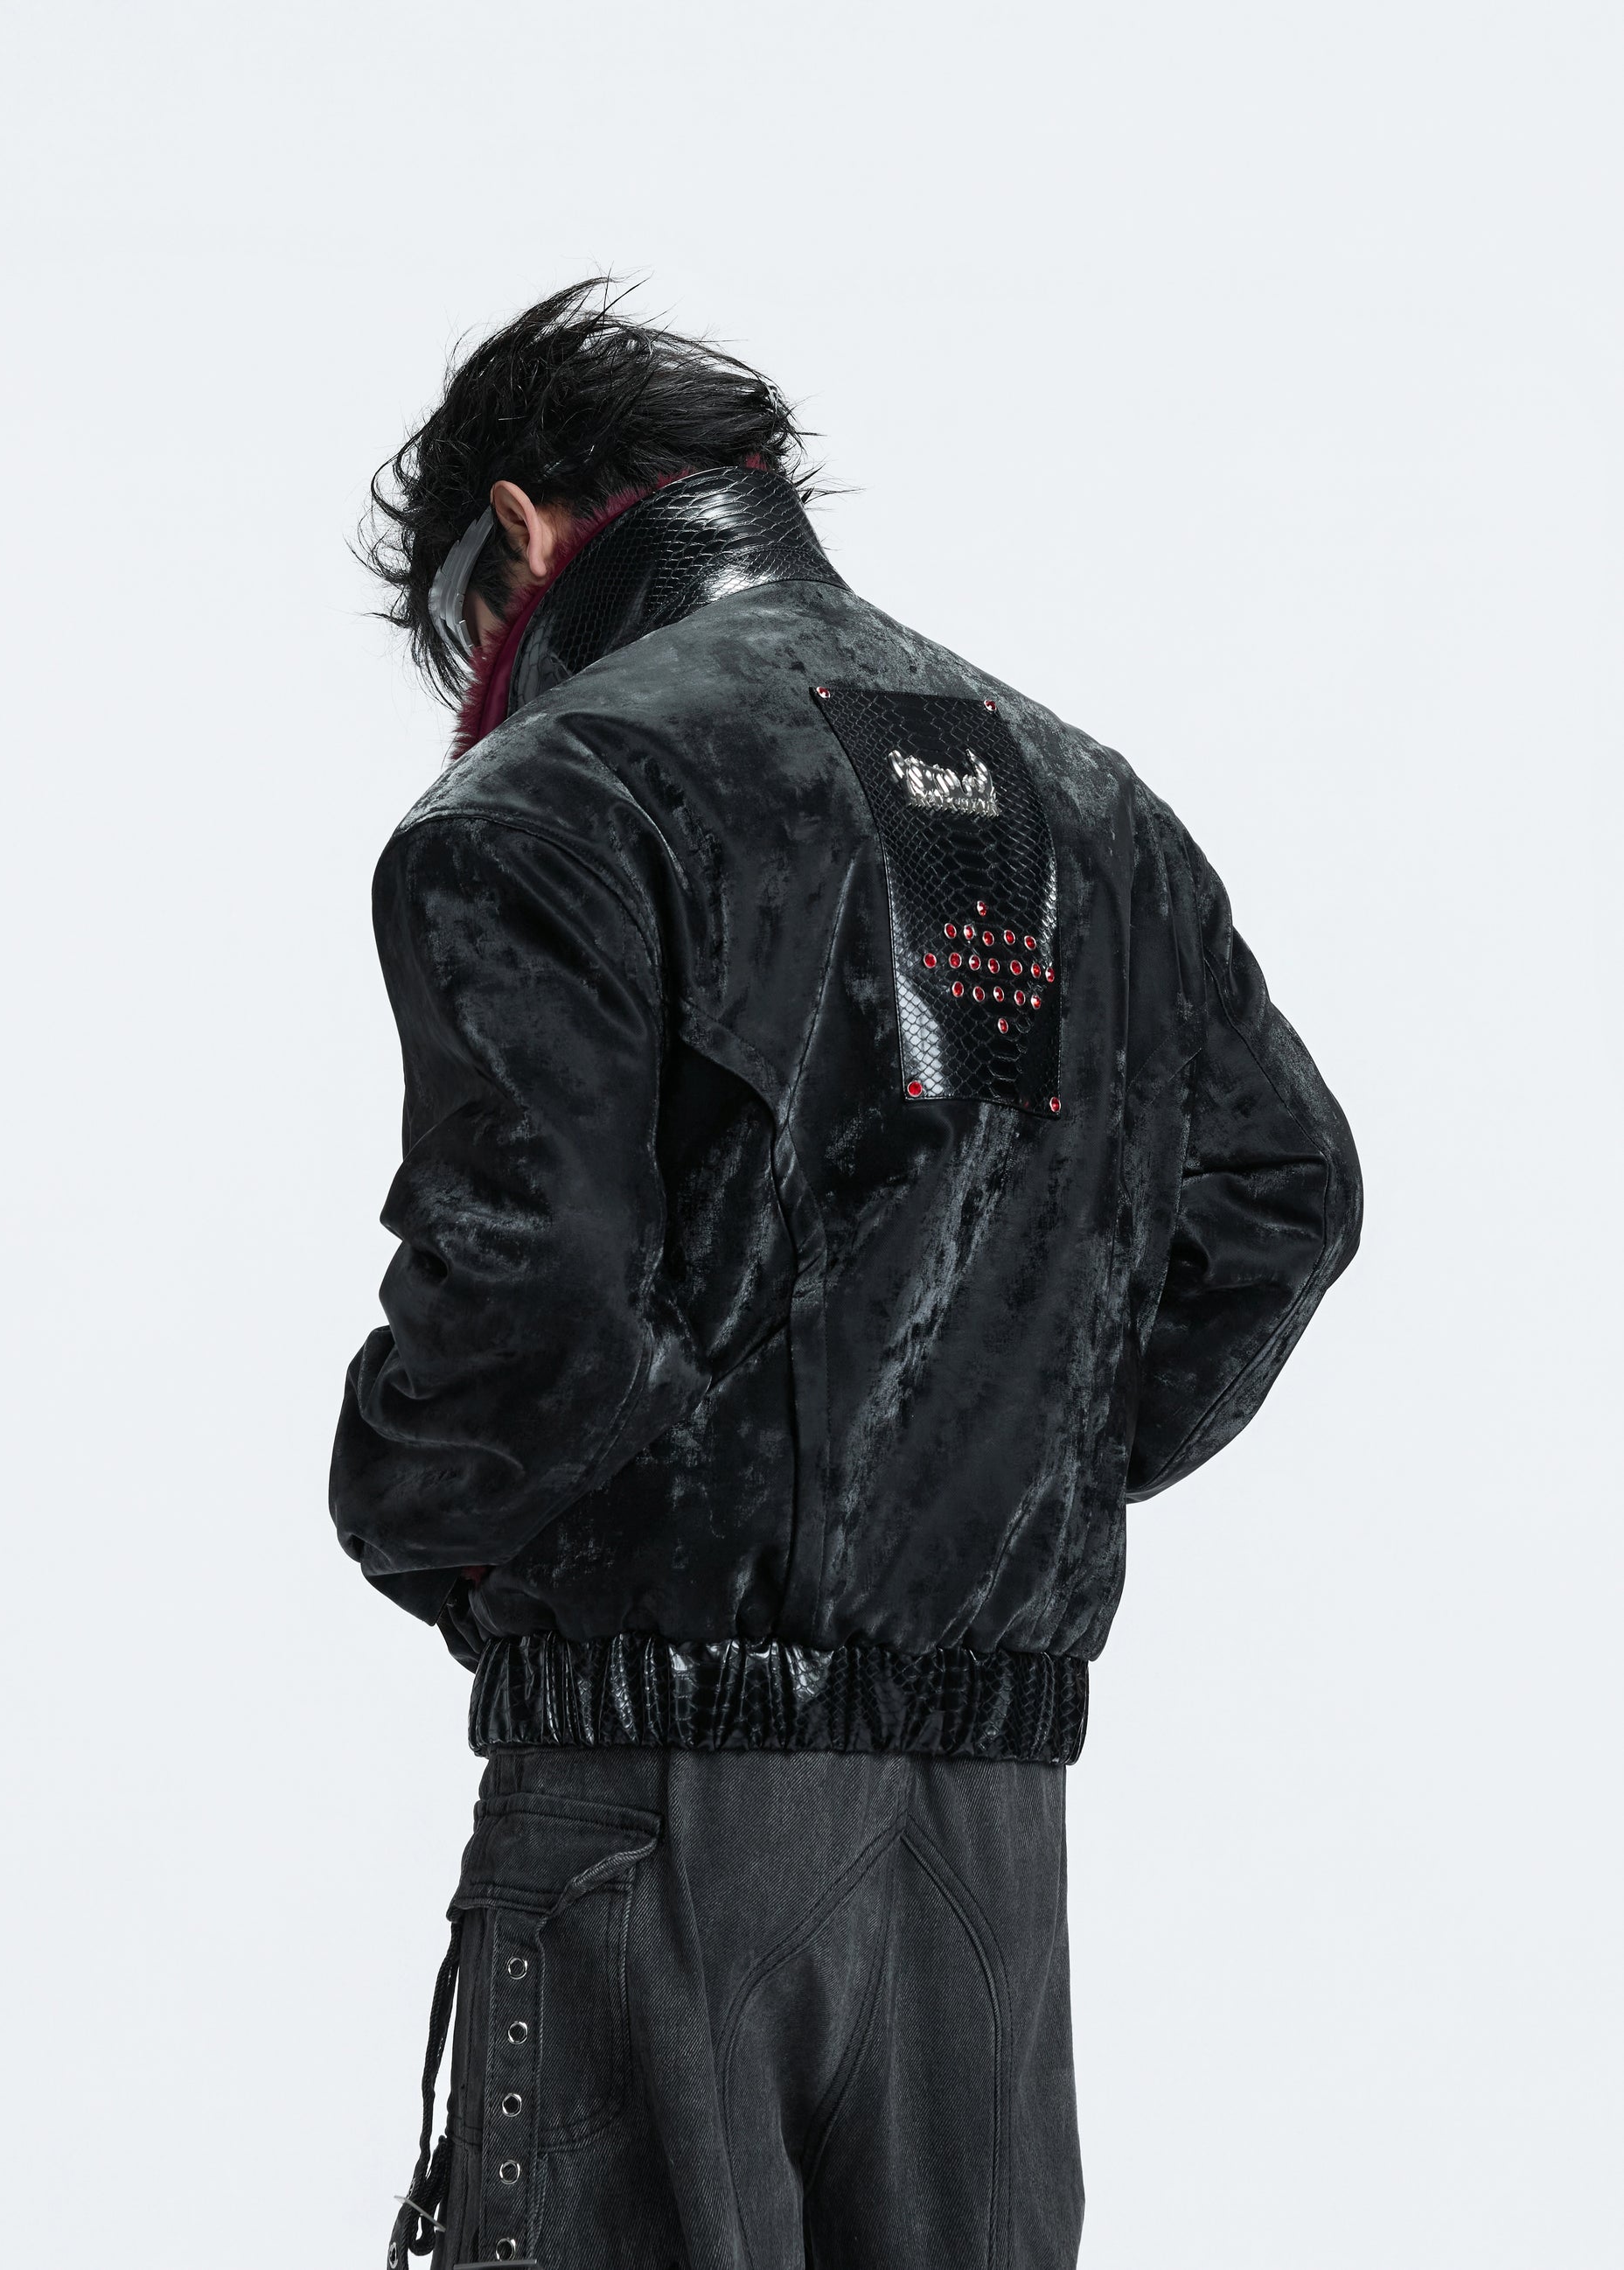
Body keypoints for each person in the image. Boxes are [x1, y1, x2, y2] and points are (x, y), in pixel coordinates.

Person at [331, 278, 1363, 2270]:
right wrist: (1008, 1460)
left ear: (522, 535)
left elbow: (533, 1291)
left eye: (464, 618)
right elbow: (1281, 1196)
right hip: (989, 1818)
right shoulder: (1083, 799)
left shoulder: (552, 794)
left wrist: (405, 1513)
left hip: (652, 1797)